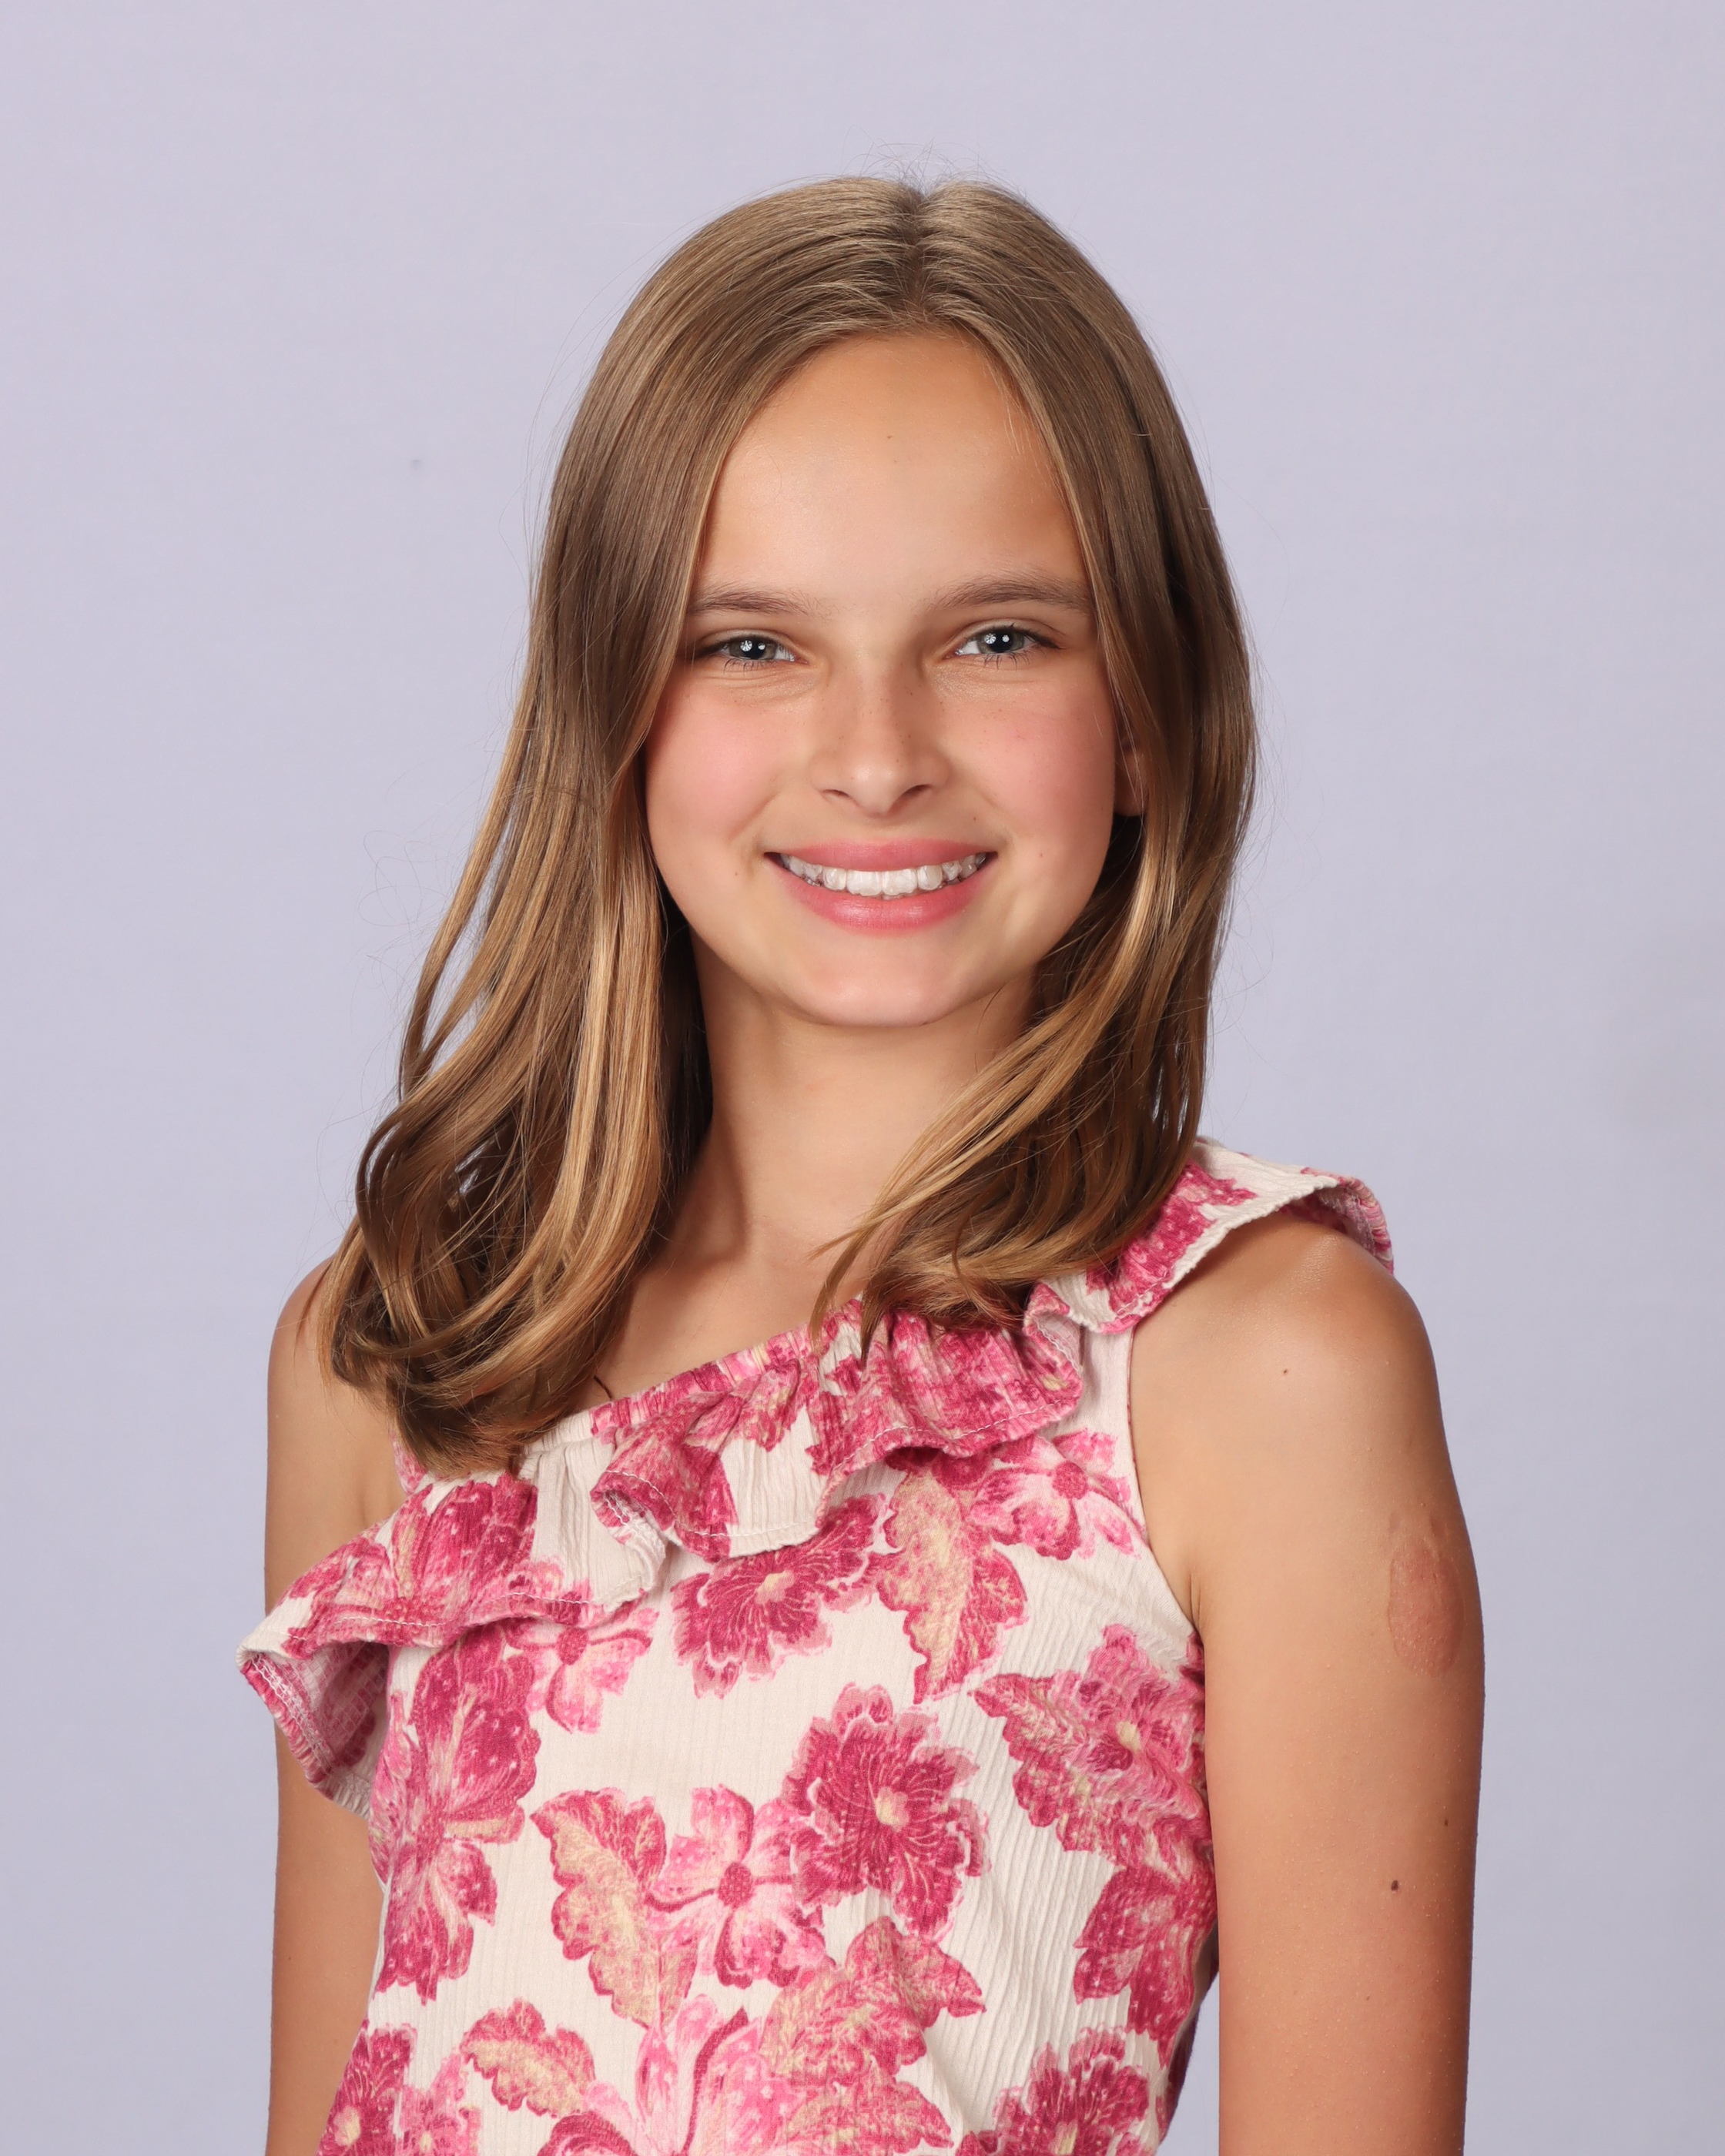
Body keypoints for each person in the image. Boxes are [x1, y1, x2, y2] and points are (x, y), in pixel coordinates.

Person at [240, 177, 1483, 2156]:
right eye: (752, 642)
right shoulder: (401, 1359)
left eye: (995, 636)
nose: (878, 752)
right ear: (617, 711)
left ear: (1145, 714)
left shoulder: (1257, 1367)